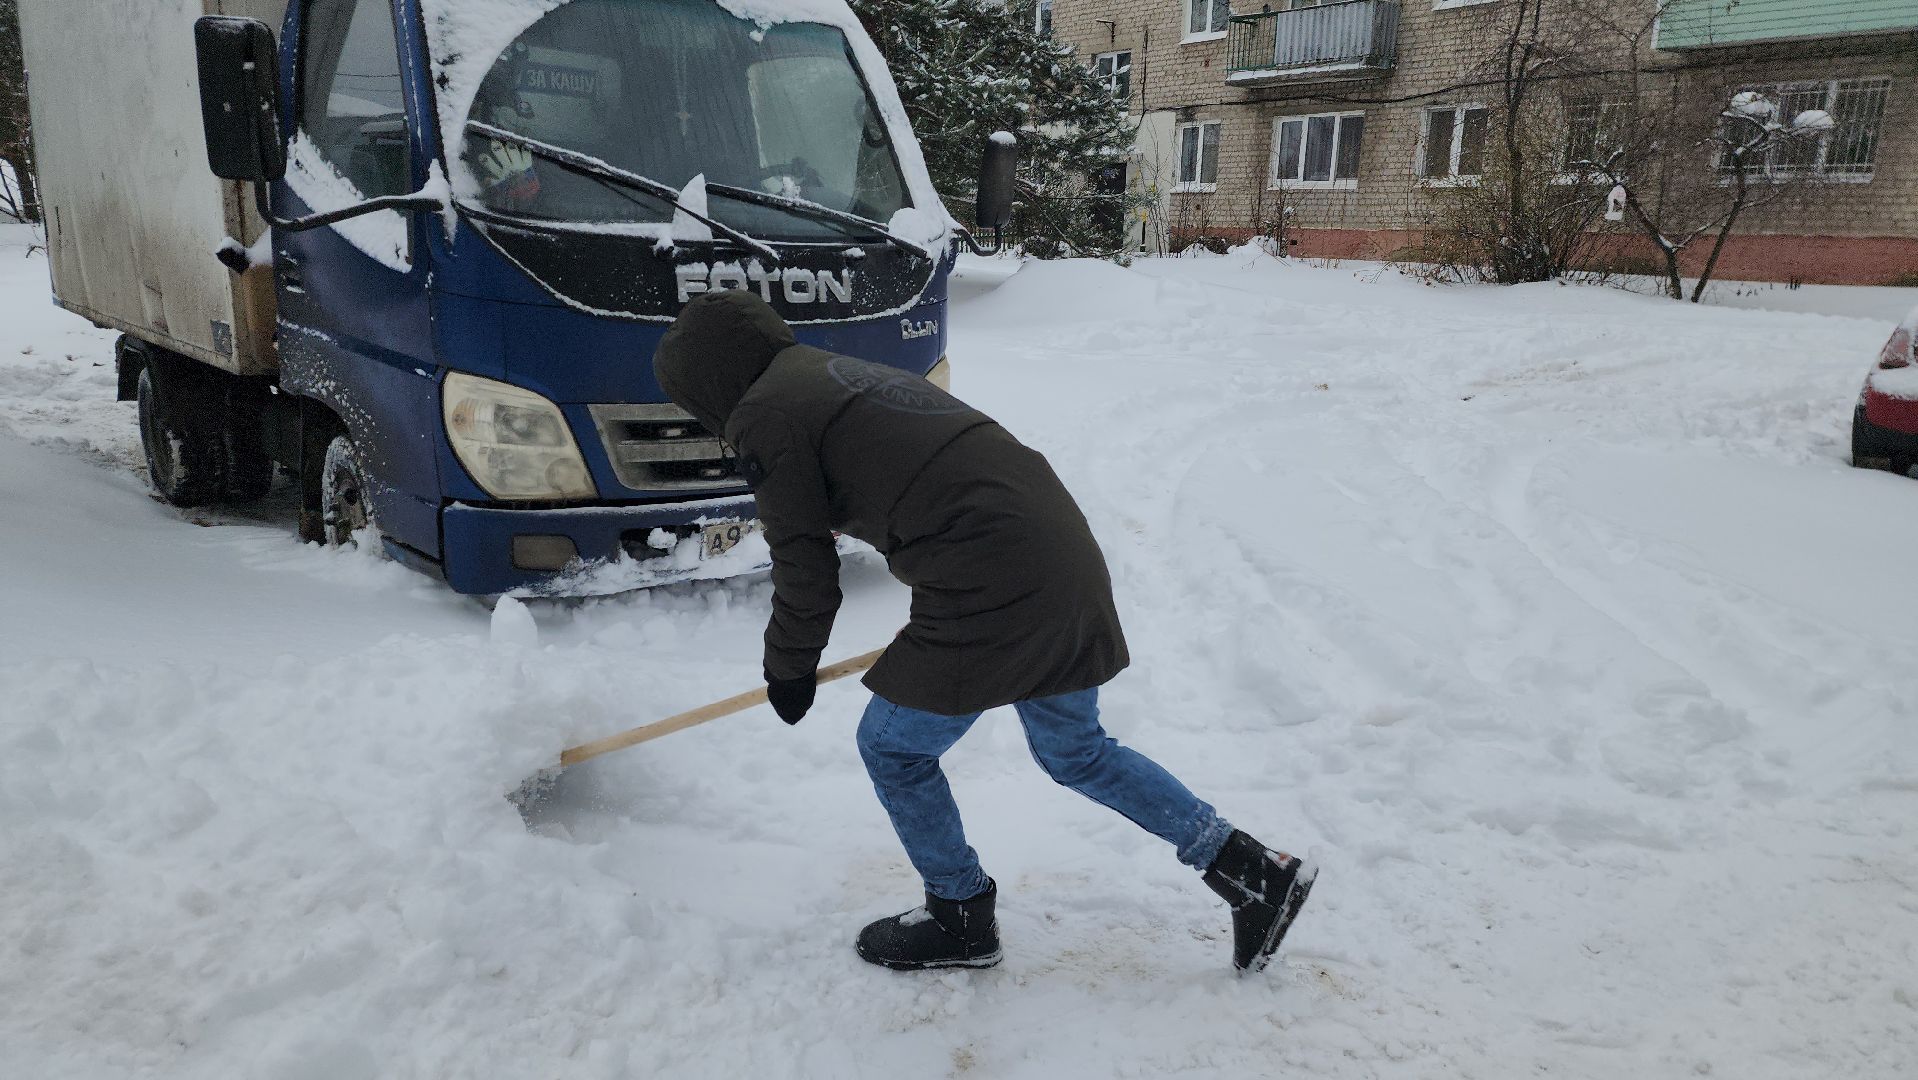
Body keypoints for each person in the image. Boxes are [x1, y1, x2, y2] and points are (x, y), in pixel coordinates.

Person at [653, 290, 1317, 974]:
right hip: (1059, 557)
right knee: (1077, 752)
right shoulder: (826, 372)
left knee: (893, 749)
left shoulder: (768, 414)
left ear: (706, 387)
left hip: (995, 582)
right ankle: (1251, 871)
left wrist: (787, 667)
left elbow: (805, 568)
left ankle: (959, 916)